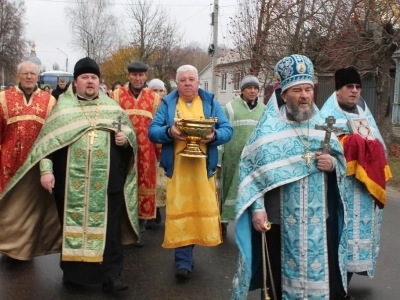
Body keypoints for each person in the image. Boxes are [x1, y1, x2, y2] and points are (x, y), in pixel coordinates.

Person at [0, 57, 140, 293]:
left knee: (110, 232)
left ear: (99, 81)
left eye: (94, 78)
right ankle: (75, 276)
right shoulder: (63, 109)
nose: (90, 82)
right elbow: (47, 144)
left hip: (108, 183)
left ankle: (112, 276)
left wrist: (125, 140)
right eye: (84, 77)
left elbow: (130, 138)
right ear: (75, 82)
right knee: (73, 227)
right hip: (70, 184)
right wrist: (46, 171)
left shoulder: (112, 108)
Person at [231, 55, 348, 299]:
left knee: (322, 282)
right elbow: (252, 173)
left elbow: (340, 162)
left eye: (308, 89)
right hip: (279, 221)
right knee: (277, 282)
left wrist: (333, 165)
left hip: (318, 220)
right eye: (297, 90)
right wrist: (257, 209)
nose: (305, 95)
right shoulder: (268, 129)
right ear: (284, 95)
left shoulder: (322, 125)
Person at [148, 64, 233, 279]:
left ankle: (189, 253)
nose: (187, 83)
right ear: (177, 83)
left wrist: (213, 136)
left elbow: (227, 129)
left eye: (191, 79)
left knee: (197, 214)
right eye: (183, 80)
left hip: (203, 170)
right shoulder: (167, 103)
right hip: (177, 170)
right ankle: (183, 262)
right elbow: (152, 131)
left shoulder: (210, 102)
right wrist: (169, 132)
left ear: (197, 82)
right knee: (180, 214)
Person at [320, 67, 392, 290]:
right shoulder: (327, 117)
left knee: (354, 243)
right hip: (337, 191)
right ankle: (333, 289)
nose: (354, 91)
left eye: (358, 87)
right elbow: (322, 153)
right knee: (335, 238)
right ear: (338, 90)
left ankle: (343, 287)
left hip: (362, 190)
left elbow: (380, 146)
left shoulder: (363, 114)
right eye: (349, 87)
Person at [112, 61, 161, 244]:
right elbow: (112, 122)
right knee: (123, 186)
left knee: (143, 188)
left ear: (146, 76)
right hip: (124, 151)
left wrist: (160, 153)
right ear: (128, 76)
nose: (138, 78)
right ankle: (122, 228)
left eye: (141, 75)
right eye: (134, 75)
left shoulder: (154, 99)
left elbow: (158, 127)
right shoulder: (116, 95)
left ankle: (139, 228)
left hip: (147, 152)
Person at [218, 75, 265, 236]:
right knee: (228, 188)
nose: (252, 91)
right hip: (232, 158)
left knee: (254, 189)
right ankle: (223, 220)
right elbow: (221, 132)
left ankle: (253, 221)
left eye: (255, 88)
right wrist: (218, 159)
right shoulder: (230, 108)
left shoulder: (264, 110)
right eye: (249, 88)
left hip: (255, 159)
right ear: (242, 90)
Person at [0, 61, 56, 193]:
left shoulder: (50, 101)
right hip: (8, 164)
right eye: (25, 73)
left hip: (37, 164)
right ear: (18, 76)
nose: (29, 77)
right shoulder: (3, 98)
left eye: (32, 74)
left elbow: (53, 135)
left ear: (37, 76)